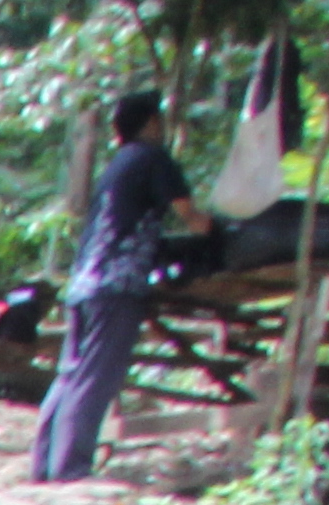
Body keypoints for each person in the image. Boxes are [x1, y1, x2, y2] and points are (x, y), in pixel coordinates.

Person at [31, 90, 213, 483]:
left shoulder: (118, 166)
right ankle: (71, 470)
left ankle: (44, 466)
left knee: (70, 374)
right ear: (150, 123)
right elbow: (192, 219)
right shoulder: (153, 159)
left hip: (84, 282)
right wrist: (223, 229)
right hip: (118, 285)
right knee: (97, 377)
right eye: (159, 120)